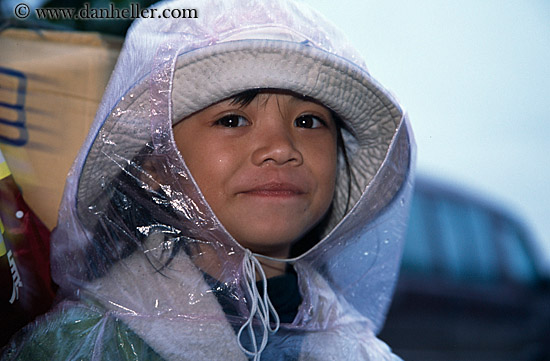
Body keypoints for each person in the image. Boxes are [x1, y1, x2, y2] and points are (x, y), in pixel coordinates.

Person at [1, 0, 415, 359]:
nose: (281, 147)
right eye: (233, 120)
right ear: (157, 166)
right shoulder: (82, 343)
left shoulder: (359, 351)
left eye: (308, 121)